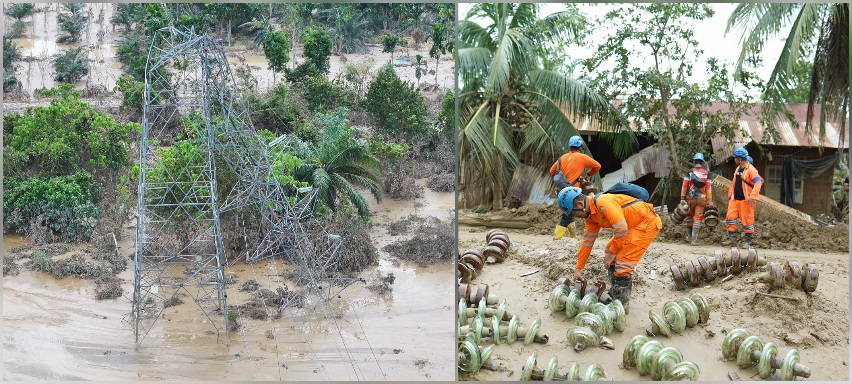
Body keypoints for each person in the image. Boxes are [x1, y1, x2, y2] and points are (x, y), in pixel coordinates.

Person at [557, 186, 662, 313]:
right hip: (632, 226)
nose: (576, 216)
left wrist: (613, 252)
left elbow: (621, 229)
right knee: (609, 251)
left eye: (574, 213)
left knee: (623, 262)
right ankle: (616, 290)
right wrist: (578, 269)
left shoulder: (602, 202)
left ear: (580, 204)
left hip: (646, 223)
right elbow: (587, 243)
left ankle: (622, 305)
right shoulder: (590, 217)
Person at [550, 136, 601, 240]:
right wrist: (588, 175)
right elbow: (597, 166)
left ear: (570, 146)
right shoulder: (582, 157)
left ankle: (573, 236)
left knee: (570, 211)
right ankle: (557, 237)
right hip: (572, 191)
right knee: (568, 213)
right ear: (581, 147)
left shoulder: (562, 157)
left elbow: (552, 170)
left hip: (561, 190)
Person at [723, 147, 763, 248]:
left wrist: (753, 197)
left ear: (740, 159)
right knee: (730, 217)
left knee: (747, 220)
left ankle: (747, 242)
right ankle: (732, 239)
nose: (734, 160)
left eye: (735, 158)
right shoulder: (738, 168)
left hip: (746, 200)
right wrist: (730, 192)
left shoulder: (751, 170)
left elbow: (758, 182)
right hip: (735, 199)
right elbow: (734, 182)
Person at [680, 153, 714, 244]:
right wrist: (710, 200)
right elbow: (708, 188)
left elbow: (684, 185)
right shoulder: (707, 174)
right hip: (701, 199)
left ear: (694, 161)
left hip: (690, 198)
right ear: (702, 163)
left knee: (690, 216)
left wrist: (682, 198)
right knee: (698, 218)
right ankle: (694, 240)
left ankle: (689, 237)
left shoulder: (689, 172)